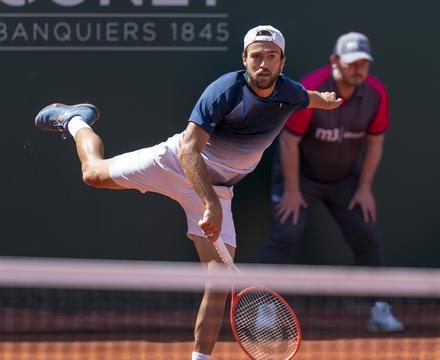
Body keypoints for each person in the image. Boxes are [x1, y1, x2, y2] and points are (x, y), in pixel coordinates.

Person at [34, 25, 342, 360]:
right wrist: (209, 203)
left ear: (282, 62)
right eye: (257, 56)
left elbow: (307, 99)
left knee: (218, 281)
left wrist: (322, 101)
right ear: (245, 59)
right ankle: (75, 119)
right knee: (92, 174)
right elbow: (189, 151)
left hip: (219, 190)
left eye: (271, 57)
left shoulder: (291, 92)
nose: (263, 64)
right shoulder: (224, 91)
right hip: (176, 163)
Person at [261, 32, 404, 332]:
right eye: (352, 63)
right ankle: (265, 308)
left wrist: (364, 188)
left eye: (363, 64)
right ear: (335, 62)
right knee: (286, 233)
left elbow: (375, 144)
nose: (357, 69)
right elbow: (289, 143)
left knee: (365, 233)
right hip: (300, 176)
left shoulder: (376, 94)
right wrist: (291, 190)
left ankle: (380, 309)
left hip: (343, 181)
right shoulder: (311, 88)